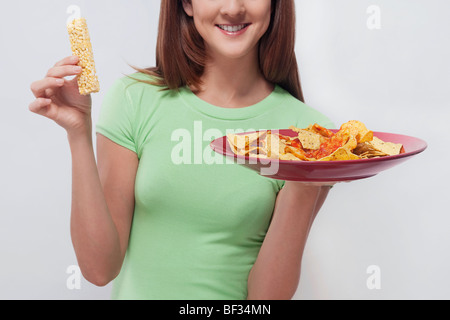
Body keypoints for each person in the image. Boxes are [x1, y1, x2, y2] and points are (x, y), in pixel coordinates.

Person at [29, 0, 335, 300]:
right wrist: (78, 133)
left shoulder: (310, 136)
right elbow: (99, 269)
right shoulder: (135, 100)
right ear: (186, 3)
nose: (232, 8)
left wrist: (303, 179)